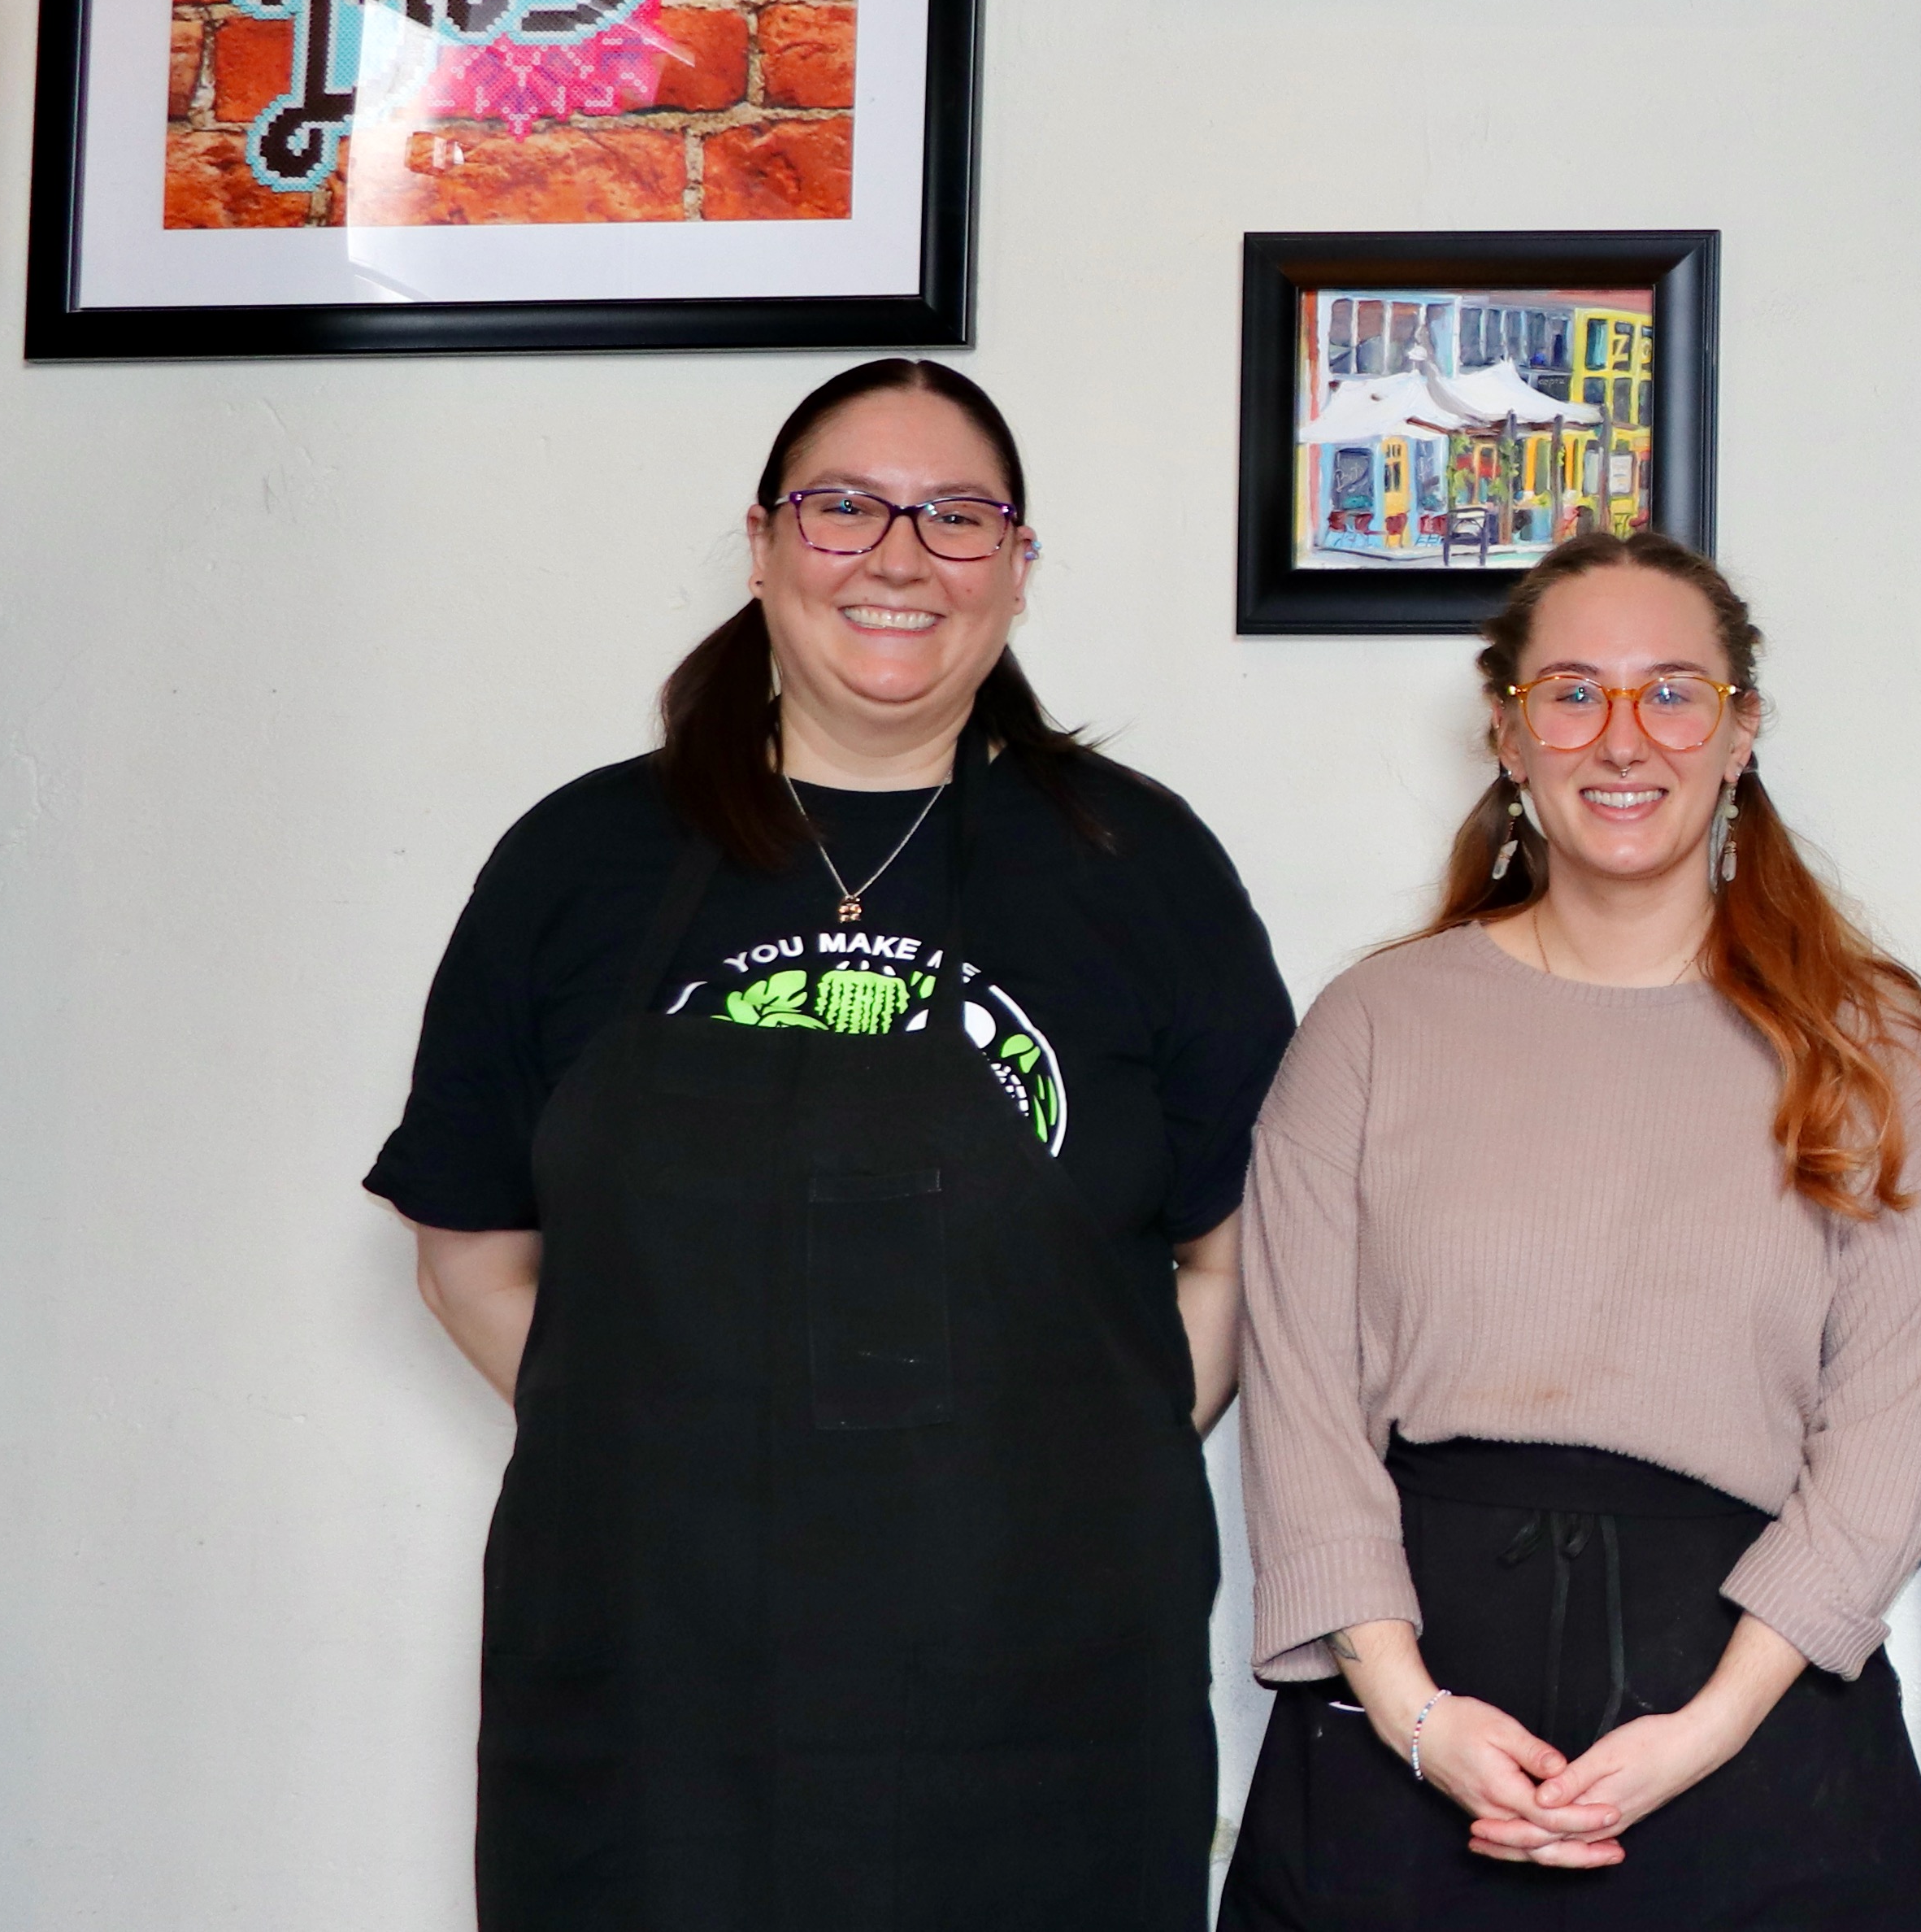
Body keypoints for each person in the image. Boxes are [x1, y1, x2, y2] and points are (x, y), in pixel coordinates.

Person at [366, 358, 1299, 1932]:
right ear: (762, 544)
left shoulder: (1137, 862)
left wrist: (1085, 1459)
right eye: (844, 506)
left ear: (1018, 562)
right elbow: (468, 1243)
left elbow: (1246, 1246)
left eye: (958, 515)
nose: (900, 555)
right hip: (653, 1677)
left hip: (1040, 1680)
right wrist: (657, 1449)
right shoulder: (580, 857)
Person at [1221, 531, 1921, 1929]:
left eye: (1674, 691)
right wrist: (1414, 1714)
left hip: (1758, 1729)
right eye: (1572, 692)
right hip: (1411, 1726)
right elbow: (1302, 1409)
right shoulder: (1369, 1028)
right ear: (1508, 733)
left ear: (1742, 729)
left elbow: (1891, 1434)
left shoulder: (1875, 1049)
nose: (1623, 737)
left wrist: (1708, 1725)